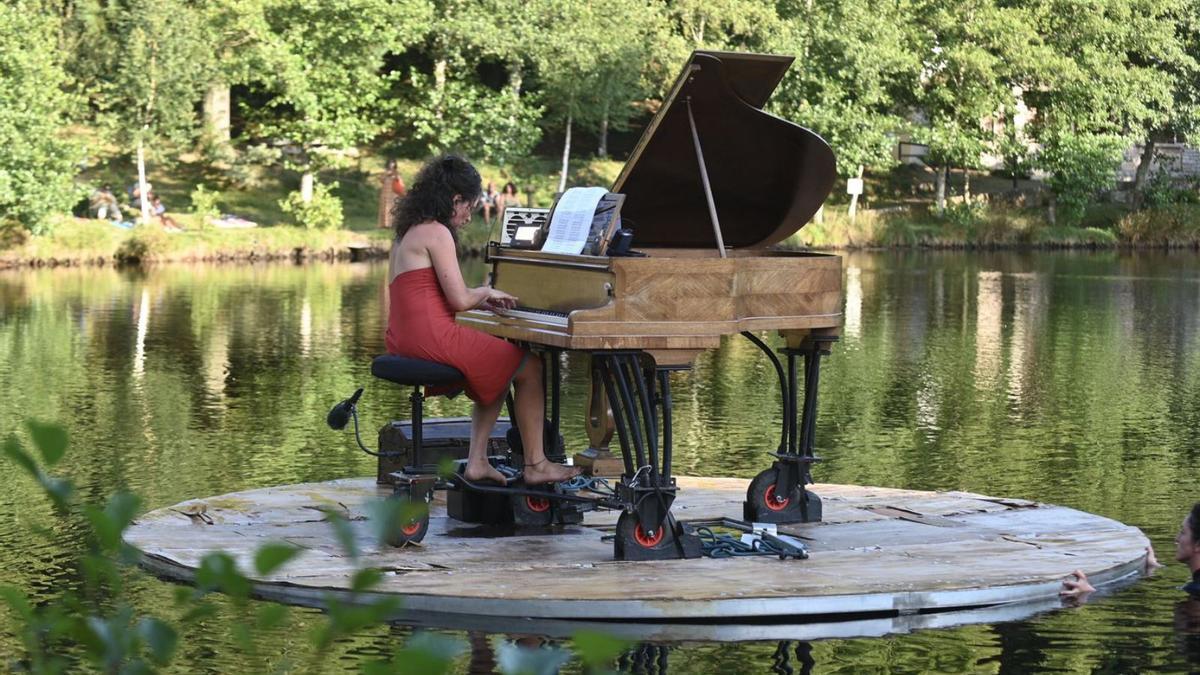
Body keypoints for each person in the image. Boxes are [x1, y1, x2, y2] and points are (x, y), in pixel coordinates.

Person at [386, 155, 581, 485]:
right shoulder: (436, 232)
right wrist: (485, 293)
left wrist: (482, 303)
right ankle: (536, 465)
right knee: (531, 367)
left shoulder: (408, 232)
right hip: (431, 338)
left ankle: (478, 462)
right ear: (455, 199)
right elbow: (460, 299)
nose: (467, 217)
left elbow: (429, 300)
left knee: (501, 364)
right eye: (468, 207)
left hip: (404, 336)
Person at [378, 159, 406, 230]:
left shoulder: (396, 173)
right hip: (385, 193)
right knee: (385, 207)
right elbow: (381, 179)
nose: (391, 164)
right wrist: (387, 175)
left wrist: (396, 177)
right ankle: (385, 224)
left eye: (393, 163)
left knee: (393, 207)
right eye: (390, 163)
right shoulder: (385, 172)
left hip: (393, 193)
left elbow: (400, 182)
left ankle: (392, 223)